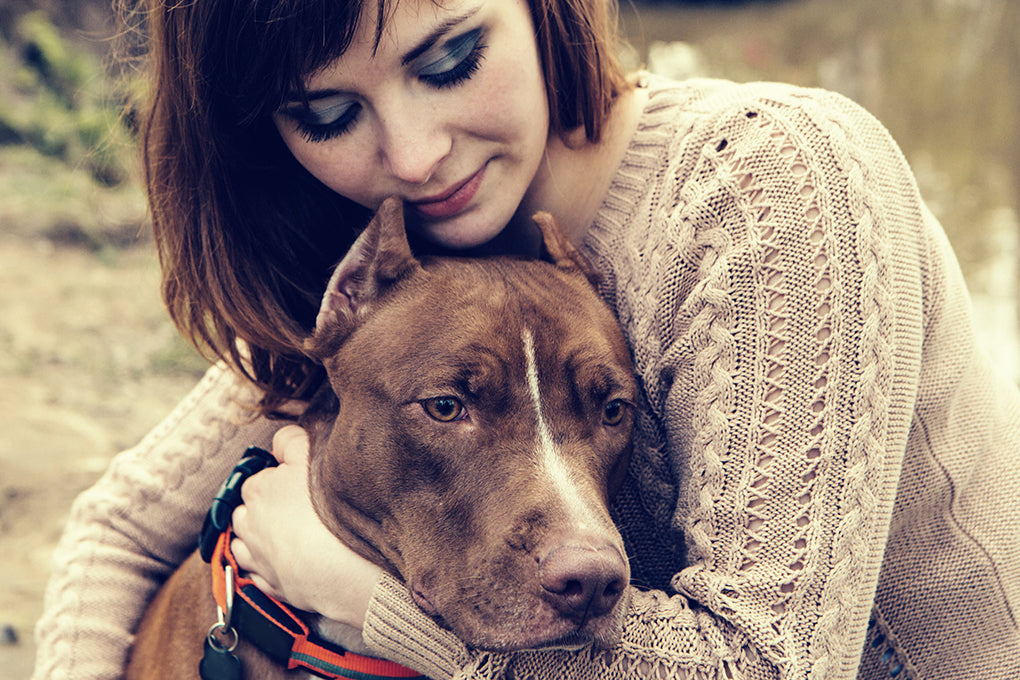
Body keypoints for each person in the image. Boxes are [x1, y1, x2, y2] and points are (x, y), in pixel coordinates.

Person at [32, 0, 1020, 675]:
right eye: (330, 113)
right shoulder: (407, 263)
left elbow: (765, 665)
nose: (415, 155)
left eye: (451, 58)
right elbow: (118, 527)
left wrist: (359, 589)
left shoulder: (770, 180)